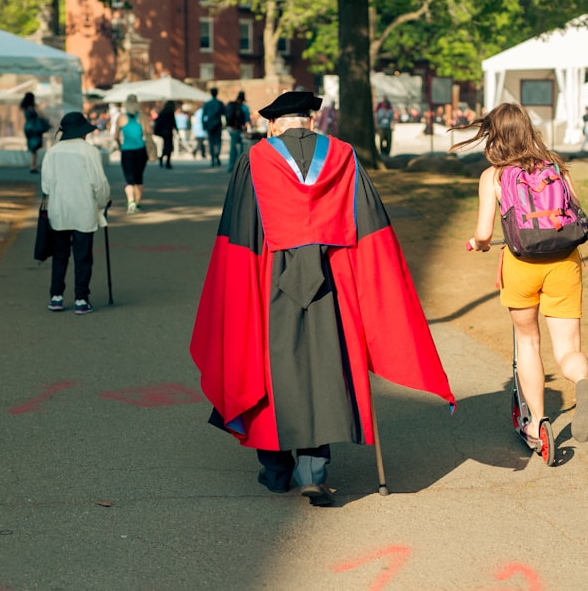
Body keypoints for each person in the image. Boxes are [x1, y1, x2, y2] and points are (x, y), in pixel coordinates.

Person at [190, 90, 454, 507]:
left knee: (269, 367)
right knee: (324, 367)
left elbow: (238, 236)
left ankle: (276, 472)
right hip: (333, 281)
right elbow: (371, 229)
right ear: (310, 121)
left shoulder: (255, 161)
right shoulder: (343, 156)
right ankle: (313, 471)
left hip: (269, 281)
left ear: (276, 125)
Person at [453, 102, 588, 447]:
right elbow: (574, 209)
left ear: (494, 136)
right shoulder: (556, 166)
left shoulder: (494, 176)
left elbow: (485, 232)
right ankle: (581, 380)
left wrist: (478, 243)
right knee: (567, 348)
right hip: (564, 262)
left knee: (529, 343)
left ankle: (536, 425)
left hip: (522, 265)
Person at [41, 112, 111, 316]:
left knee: (60, 255)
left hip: (59, 210)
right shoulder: (89, 152)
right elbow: (99, 183)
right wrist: (103, 202)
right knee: (83, 256)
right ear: (82, 132)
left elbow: (45, 186)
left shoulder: (52, 153)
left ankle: (56, 297)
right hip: (84, 209)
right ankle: (81, 299)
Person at [115, 94, 151, 214]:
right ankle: (138, 202)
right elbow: (149, 132)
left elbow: (116, 136)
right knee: (139, 178)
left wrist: (120, 146)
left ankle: (131, 202)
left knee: (128, 178)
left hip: (127, 151)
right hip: (140, 150)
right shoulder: (142, 117)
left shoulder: (121, 118)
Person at [20, 92, 49, 173]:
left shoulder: (24, 107)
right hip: (35, 127)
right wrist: (47, 120)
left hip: (28, 127)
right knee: (35, 147)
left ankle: (33, 165)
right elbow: (41, 114)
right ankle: (33, 166)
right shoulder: (33, 106)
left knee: (33, 147)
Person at [224, 91, 251, 172]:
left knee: (233, 147)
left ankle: (231, 166)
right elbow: (247, 119)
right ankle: (240, 166)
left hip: (231, 128)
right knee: (241, 148)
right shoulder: (244, 107)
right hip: (239, 129)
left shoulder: (231, 104)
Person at [201, 87, 226, 167]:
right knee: (218, 141)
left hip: (209, 125)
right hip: (218, 124)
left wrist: (204, 126)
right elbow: (224, 114)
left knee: (211, 142)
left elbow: (203, 116)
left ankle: (212, 158)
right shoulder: (220, 103)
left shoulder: (207, 104)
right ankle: (217, 154)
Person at [153, 100, 178, 169]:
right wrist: (176, 130)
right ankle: (167, 162)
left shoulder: (162, 113)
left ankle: (163, 158)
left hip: (163, 132)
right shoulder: (170, 113)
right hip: (168, 131)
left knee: (166, 146)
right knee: (168, 146)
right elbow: (173, 122)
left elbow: (157, 121)